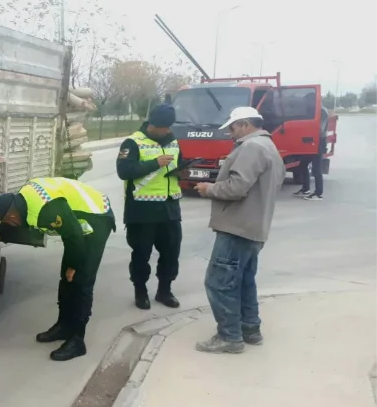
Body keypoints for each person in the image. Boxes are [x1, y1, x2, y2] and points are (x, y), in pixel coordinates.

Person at [0, 177, 115, 361]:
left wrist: (73, 266)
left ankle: (77, 340)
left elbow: (75, 235)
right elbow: (69, 232)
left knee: (81, 282)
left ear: (14, 215)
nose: (11, 224)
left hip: (96, 218)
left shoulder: (47, 210)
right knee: (66, 279)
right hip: (76, 224)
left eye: (9, 221)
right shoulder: (22, 200)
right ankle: (64, 326)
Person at [194, 107, 285, 354]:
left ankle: (229, 337)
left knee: (218, 282)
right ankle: (249, 329)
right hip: (254, 227)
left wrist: (209, 189)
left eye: (232, 128)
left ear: (245, 124)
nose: (230, 134)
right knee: (243, 281)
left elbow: (236, 187)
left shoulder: (252, 147)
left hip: (238, 228)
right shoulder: (269, 147)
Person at [116, 104, 183, 310]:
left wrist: (183, 171)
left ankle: (164, 290)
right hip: (142, 210)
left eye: (169, 127)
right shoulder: (133, 142)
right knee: (141, 253)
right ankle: (140, 292)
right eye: (164, 127)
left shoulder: (172, 141)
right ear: (153, 125)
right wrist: (156, 163)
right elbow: (124, 171)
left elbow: (180, 162)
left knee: (171, 253)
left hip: (169, 207)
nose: (168, 131)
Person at [293, 106, 329, 200]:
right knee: (302, 164)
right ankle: (306, 189)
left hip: (318, 141)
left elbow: (320, 129)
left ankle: (318, 194)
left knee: (316, 169)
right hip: (311, 141)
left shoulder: (322, 112)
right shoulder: (314, 110)